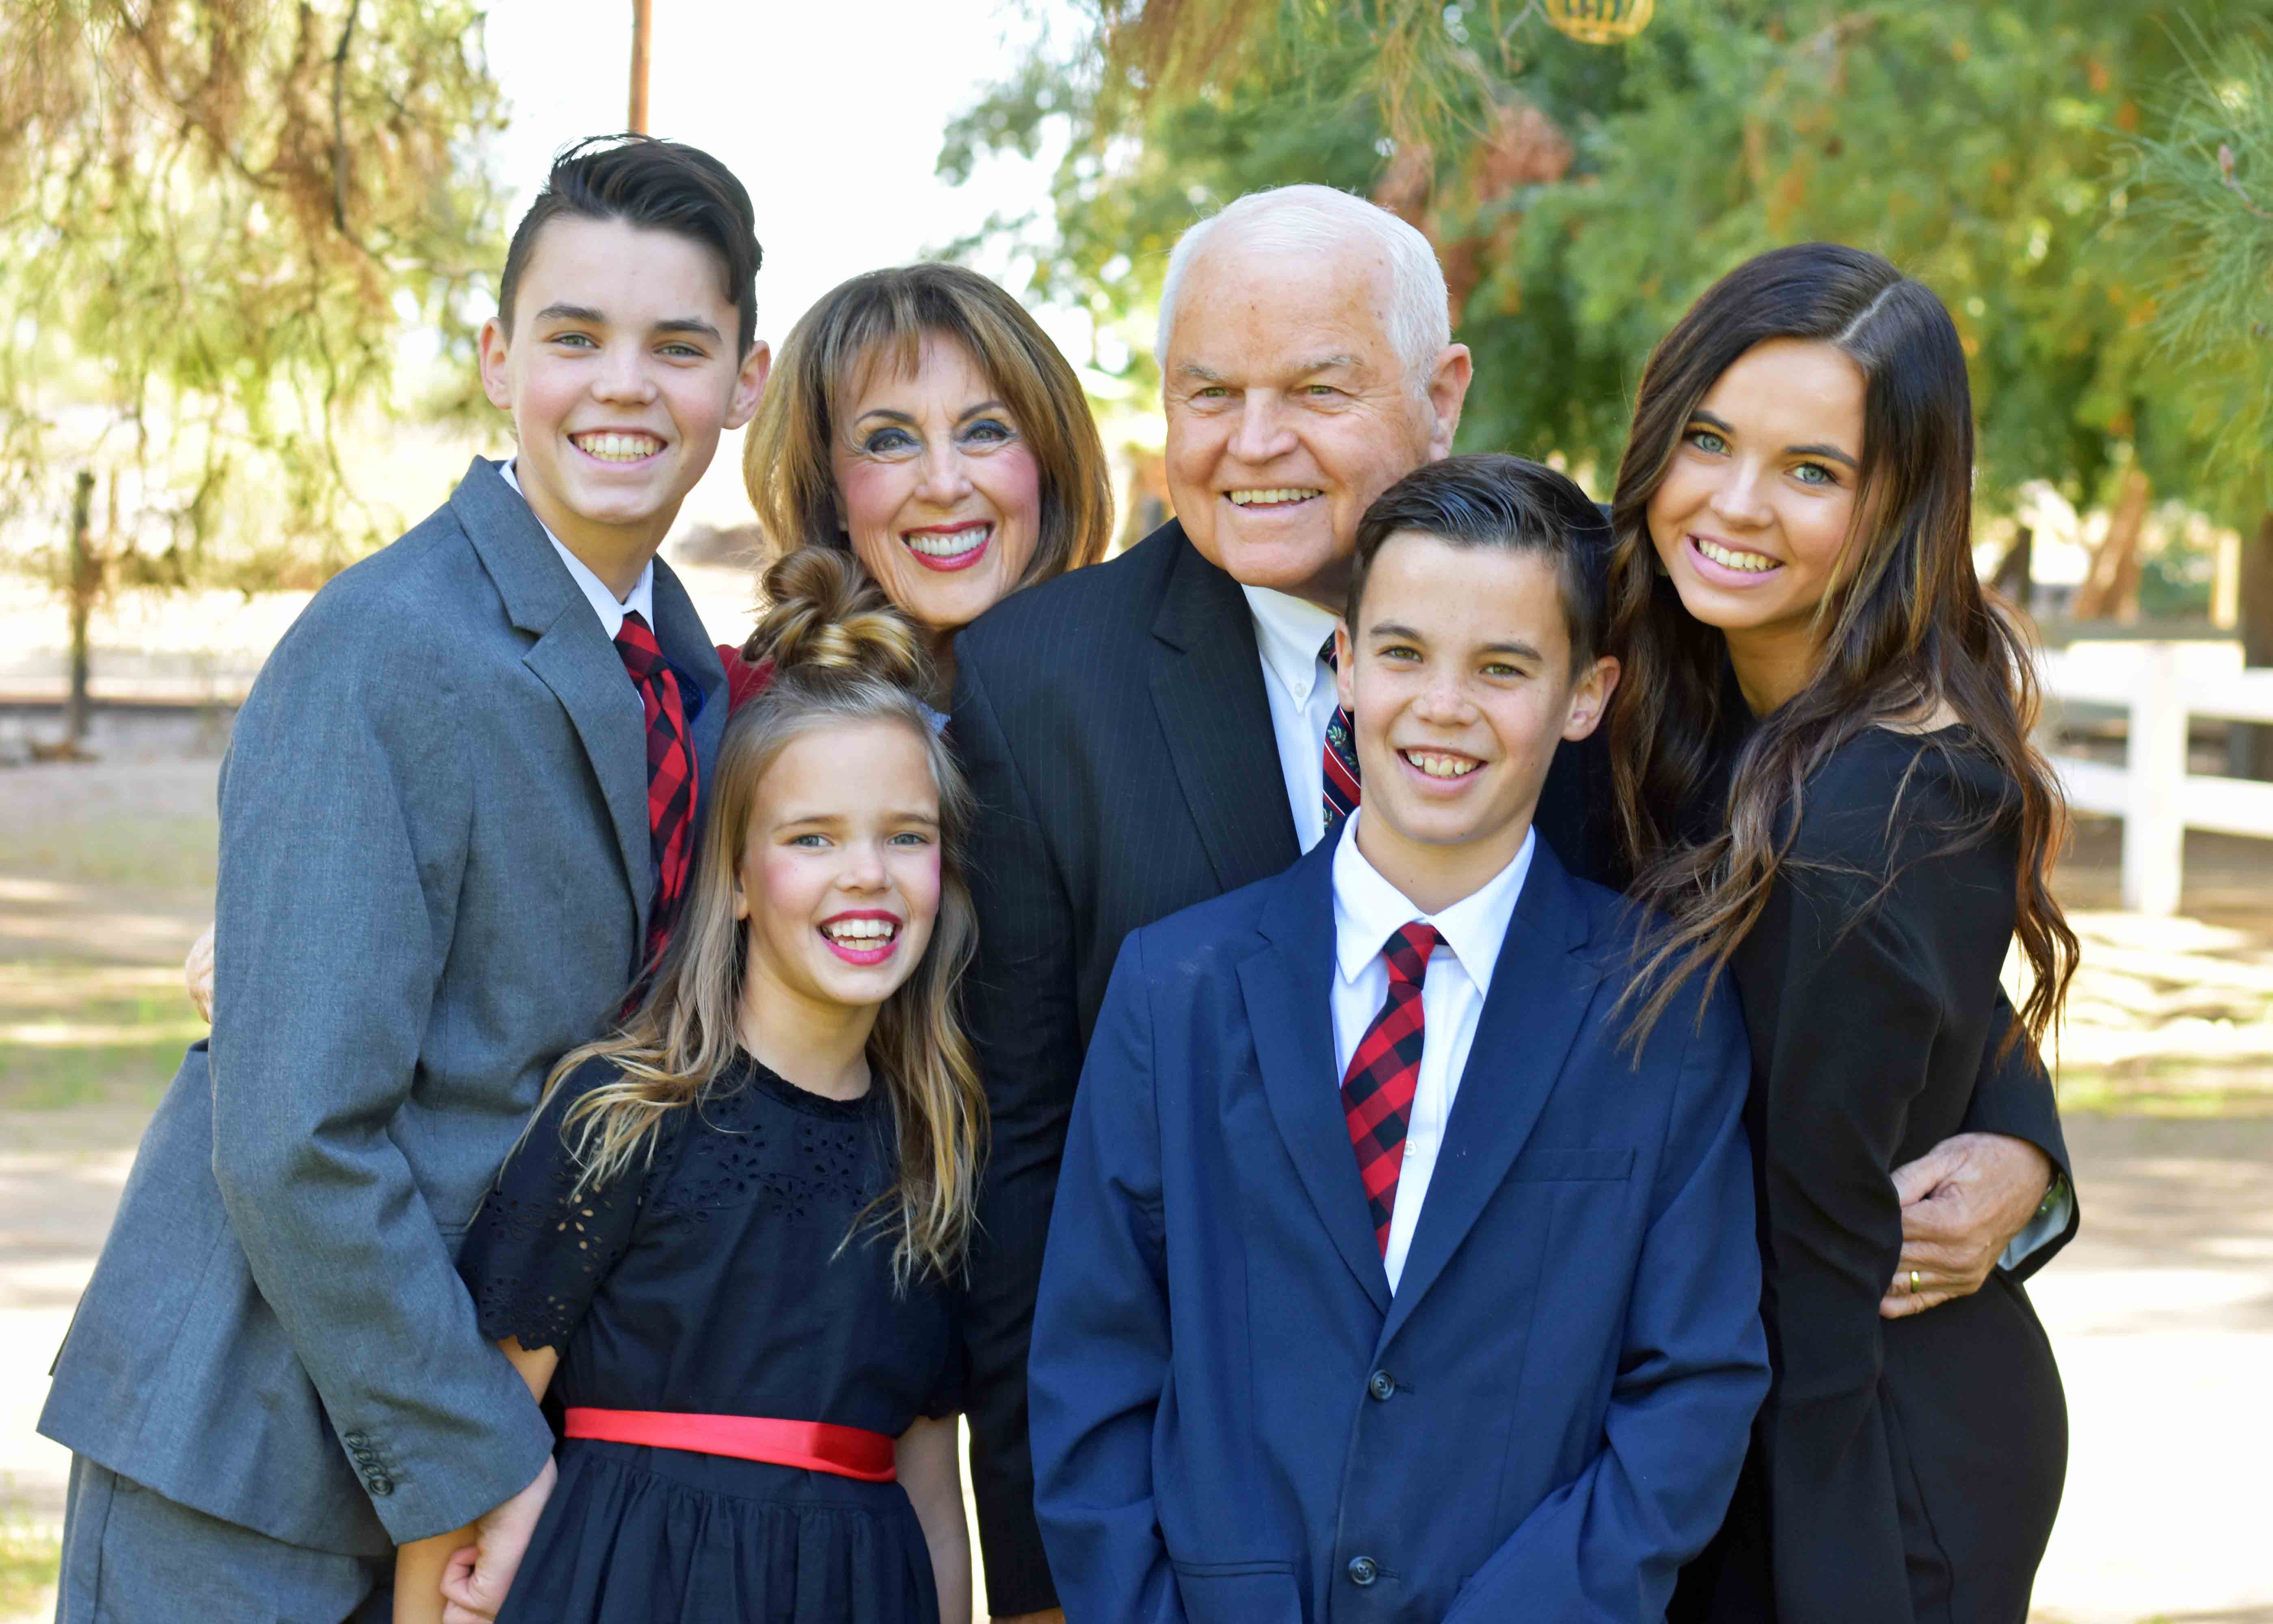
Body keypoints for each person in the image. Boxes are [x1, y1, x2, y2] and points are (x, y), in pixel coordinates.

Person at [947, 184, 2076, 1617]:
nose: (1253, 442)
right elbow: (1032, 1170)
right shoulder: (1042, 685)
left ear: (1440, 391)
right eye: (1207, 393)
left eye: (1316, 387)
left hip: (1597, 1518)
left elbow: (1856, 945)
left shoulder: (1603, 626)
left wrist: (2021, 1150)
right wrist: (1057, 1589)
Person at [38, 135, 770, 1621]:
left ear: (744, 384)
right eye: (574, 338)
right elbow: (296, 1135)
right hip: (263, 1474)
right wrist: (484, 1460)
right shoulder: (390, 645)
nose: (622, 386)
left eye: (676, 346)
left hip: (483, 1438)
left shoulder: (686, 677)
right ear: (499, 359)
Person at [1030, 454, 1770, 1622]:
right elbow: (1092, 1369)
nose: (1442, 706)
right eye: (1404, 654)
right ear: (1345, 666)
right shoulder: (1174, 990)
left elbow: (1692, 1388)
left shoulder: (1658, 1012)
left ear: (1585, 696)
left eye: (1503, 668)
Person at [1606, 245, 2072, 1623]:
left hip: (1860, 1461)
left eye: (1810, 471)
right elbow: (1954, 1018)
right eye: (1706, 440)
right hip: (1753, 1433)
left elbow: (1820, 1275)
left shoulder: (1875, 801)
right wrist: (2026, 1136)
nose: (1733, 506)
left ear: (1894, 506)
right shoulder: (1671, 674)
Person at [394, 549, 984, 1624]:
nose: (868, 874)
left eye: (908, 838)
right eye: (812, 840)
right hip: (621, 1584)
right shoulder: (621, 1118)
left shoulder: (934, 1149)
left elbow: (933, 1491)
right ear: (735, 880)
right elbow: (472, 1432)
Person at [736, 260, 1114, 710]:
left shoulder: (1131, 698)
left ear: (1049, 464)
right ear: (831, 493)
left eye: (985, 432)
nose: (943, 485)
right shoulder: (736, 714)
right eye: (890, 441)